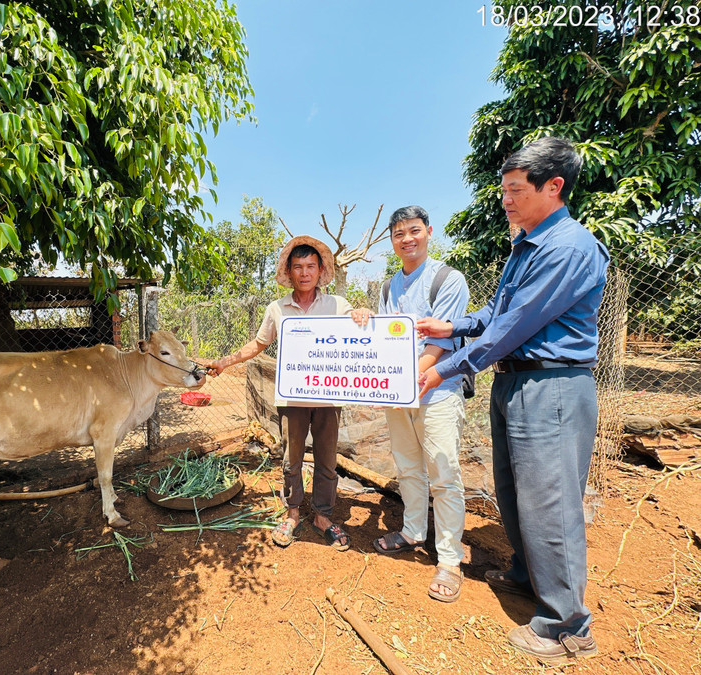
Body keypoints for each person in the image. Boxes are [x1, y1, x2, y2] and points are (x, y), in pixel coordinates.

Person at [417, 137, 609, 664]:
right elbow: (500, 310)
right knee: (515, 489)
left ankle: (567, 627)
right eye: (503, 190)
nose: (506, 199)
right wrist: (454, 325)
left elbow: (512, 327)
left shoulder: (569, 248)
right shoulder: (528, 242)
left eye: (515, 190)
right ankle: (529, 573)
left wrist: (446, 365)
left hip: (551, 386)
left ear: (554, 187)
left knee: (550, 502)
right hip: (517, 384)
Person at [350, 206, 469, 603]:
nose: (407, 239)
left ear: (428, 232)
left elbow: (440, 343)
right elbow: (383, 338)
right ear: (392, 240)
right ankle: (414, 531)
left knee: (443, 470)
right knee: (408, 466)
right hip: (398, 392)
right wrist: (363, 317)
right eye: (399, 233)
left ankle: (450, 559)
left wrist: (405, 380)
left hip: (436, 390)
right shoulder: (389, 287)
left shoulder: (447, 280)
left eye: (414, 230)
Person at [209, 236, 354, 551]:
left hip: (329, 398)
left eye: (310, 267)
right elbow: (258, 345)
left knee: (328, 460)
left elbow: (359, 337)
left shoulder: (338, 306)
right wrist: (224, 362)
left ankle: (323, 517)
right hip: (292, 398)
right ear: (289, 272)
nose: (304, 273)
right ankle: (291, 513)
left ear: (320, 270)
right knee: (291, 460)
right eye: (298, 267)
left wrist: (365, 317)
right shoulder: (277, 308)